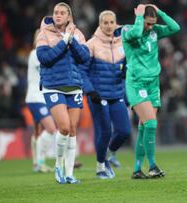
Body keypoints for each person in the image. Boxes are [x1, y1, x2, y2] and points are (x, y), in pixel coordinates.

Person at [121, 4, 180, 179]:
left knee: (144, 126)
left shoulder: (154, 31)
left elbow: (175, 28)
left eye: (153, 24)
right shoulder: (128, 30)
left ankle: (137, 169)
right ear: (139, 18)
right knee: (151, 123)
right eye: (148, 23)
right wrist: (139, 18)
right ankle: (153, 165)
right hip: (137, 83)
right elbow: (136, 33)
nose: (150, 27)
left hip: (153, 84)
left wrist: (160, 12)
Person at [36, 2, 89, 184]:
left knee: (73, 130)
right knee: (64, 127)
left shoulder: (78, 34)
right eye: (55, 12)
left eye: (62, 13)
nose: (58, 15)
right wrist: (64, 40)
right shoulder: (44, 33)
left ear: (69, 17)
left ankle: (69, 174)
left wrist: (71, 39)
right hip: (53, 85)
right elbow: (45, 58)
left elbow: (84, 58)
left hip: (74, 85)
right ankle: (58, 166)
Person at [81, 10, 131, 179]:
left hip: (117, 94)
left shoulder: (123, 43)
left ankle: (109, 154)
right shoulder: (91, 44)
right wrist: (90, 91)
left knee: (124, 131)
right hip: (98, 95)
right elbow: (82, 71)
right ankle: (100, 166)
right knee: (104, 132)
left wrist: (126, 82)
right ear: (100, 24)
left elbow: (126, 68)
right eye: (105, 23)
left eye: (111, 22)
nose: (109, 26)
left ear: (115, 23)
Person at [26, 29, 57, 173]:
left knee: (38, 131)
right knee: (51, 128)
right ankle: (40, 162)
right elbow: (48, 65)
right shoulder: (35, 54)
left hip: (41, 97)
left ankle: (35, 163)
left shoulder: (40, 53)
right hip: (36, 98)